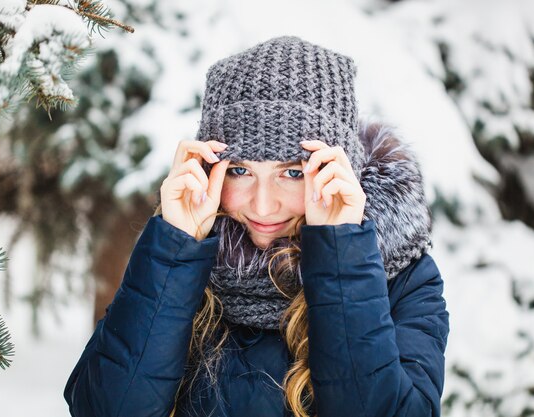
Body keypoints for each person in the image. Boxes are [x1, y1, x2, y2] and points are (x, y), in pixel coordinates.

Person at [64, 35, 450, 417]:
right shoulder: (183, 256)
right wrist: (174, 248)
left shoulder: (399, 277)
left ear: (337, 170)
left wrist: (341, 253)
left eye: (293, 172)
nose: (263, 205)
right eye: (240, 170)